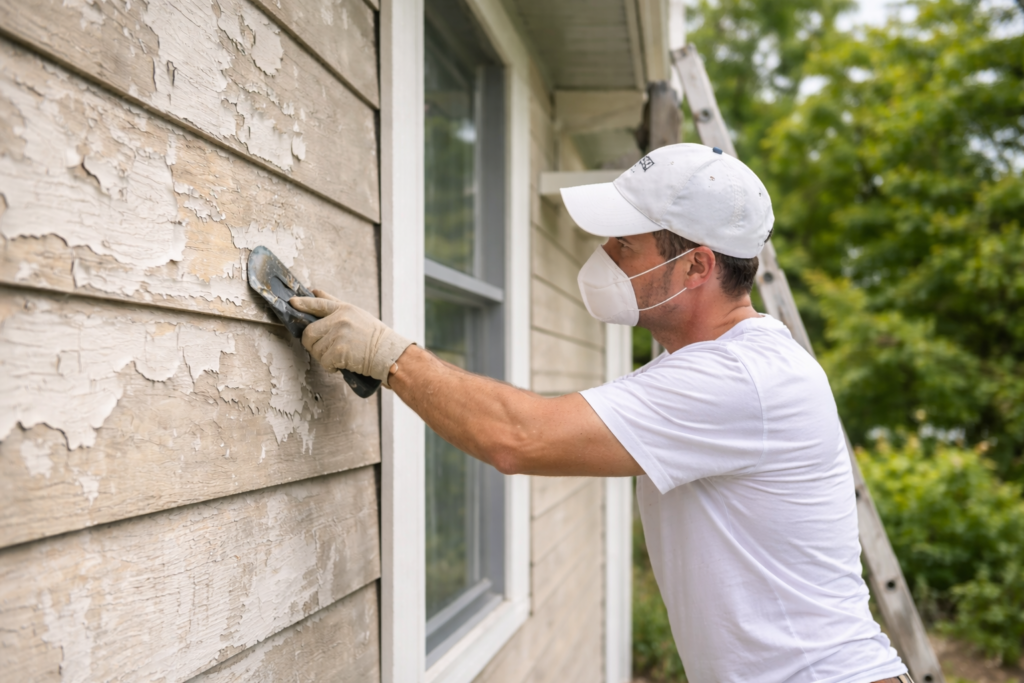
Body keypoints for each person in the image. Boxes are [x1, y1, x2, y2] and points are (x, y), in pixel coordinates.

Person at [291, 143, 912, 683]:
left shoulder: (740, 378)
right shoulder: (708, 368)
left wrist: (390, 356)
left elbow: (518, 437)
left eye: (625, 244)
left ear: (697, 264)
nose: (606, 257)